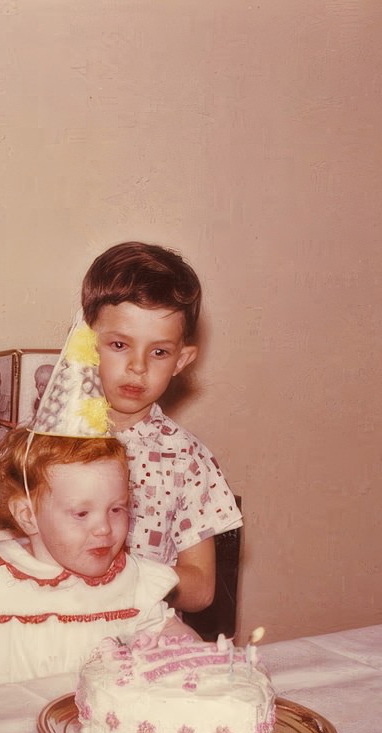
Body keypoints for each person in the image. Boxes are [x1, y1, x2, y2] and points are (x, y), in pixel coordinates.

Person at [0, 320, 194, 700]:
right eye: (82, 514)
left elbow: (168, 632)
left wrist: (200, 661)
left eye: (117, 510)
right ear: (27, 516)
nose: (104, 530)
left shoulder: (130, 582)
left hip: (84, 730)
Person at [81, 242, 243, 612]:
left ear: (181, 359)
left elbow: (201, 590)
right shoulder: (41, 439)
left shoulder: (187, 460)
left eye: (159, 352)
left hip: (142, 642)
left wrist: (124, 574)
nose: (138, 367)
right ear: (86, 343)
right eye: (120, 344)